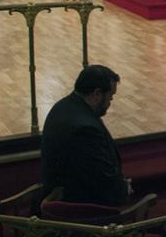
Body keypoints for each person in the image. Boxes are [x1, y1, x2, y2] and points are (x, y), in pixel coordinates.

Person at [41, 65, 130, 206]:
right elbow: (100, 179)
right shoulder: (85, 130)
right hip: (81, 209)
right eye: (110, 97)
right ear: (97, 94)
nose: (109, 103)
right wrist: (124, 188)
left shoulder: (63, 106)